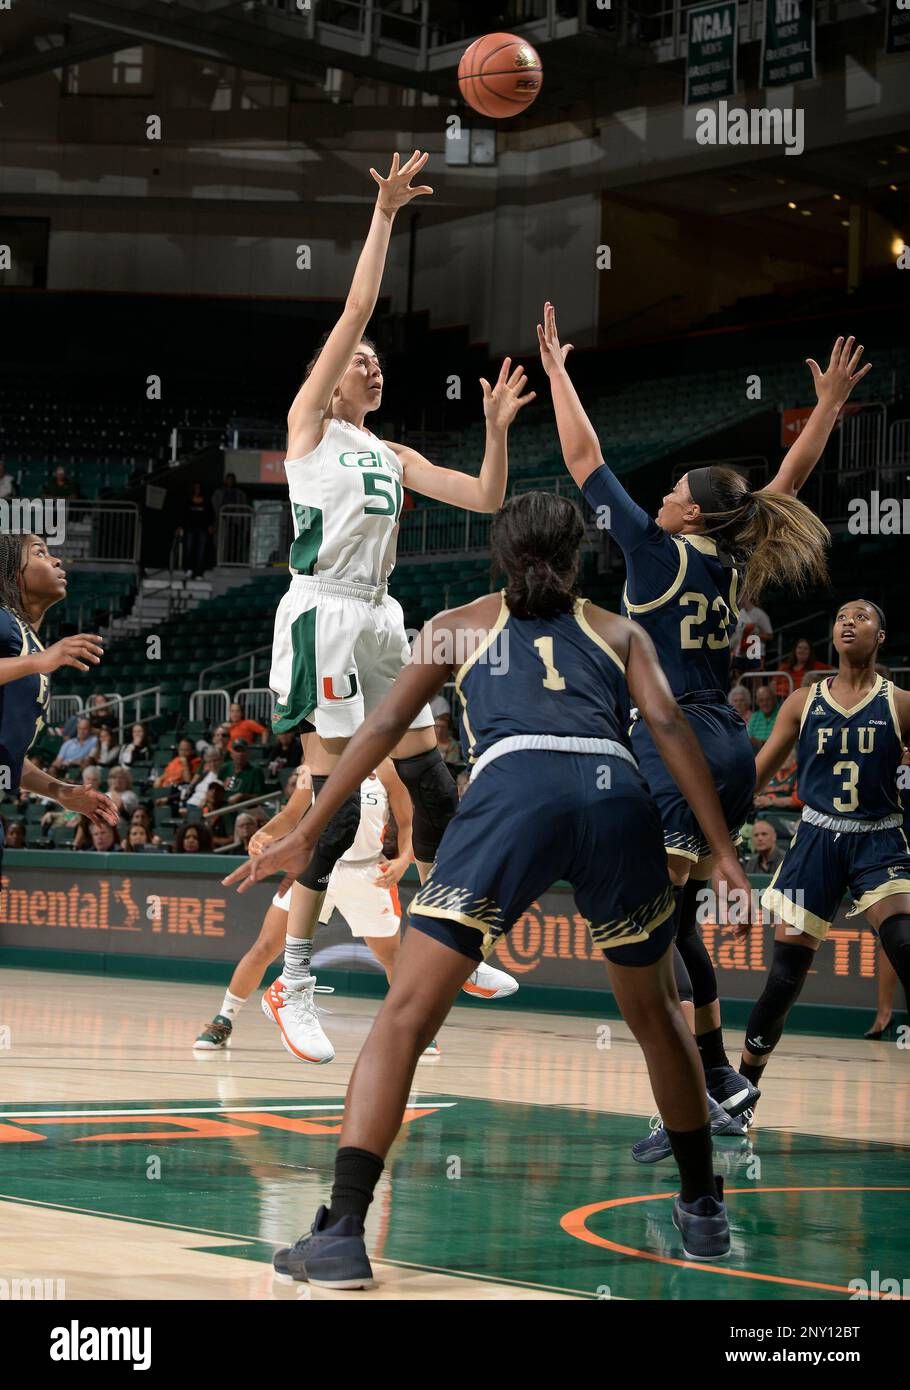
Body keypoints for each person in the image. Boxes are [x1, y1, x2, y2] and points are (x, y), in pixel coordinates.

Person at [226, 491, 759, 1276]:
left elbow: (377, 731)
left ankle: (342, 1231)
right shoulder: (619, 631)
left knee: (405, 1015)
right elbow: (672, 729)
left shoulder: (455, 627)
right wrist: (727, 854)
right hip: (616, 795)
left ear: (499, 558)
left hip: (514, 791)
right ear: (580, 560)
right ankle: (702, 1208)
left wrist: (308, 828)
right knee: (653, 1015)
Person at [537, 305, 869, 1139]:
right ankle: (714, 1078)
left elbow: (584, 459)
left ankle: (707, 1080)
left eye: (677, 490)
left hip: (675, 739)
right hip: (720, 742)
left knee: (654, 927)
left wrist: (558, 374)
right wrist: (826, 408)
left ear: (688, 514)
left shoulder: (656, 551)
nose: (666, 492)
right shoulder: (728, 559)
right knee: (673, 922)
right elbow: (783, 488)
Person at [265, 151, 534, 1061]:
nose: (371, 367)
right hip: (322, 614)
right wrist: (383, 216)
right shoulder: (311, 425)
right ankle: (292, 979)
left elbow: (490, 502)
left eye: (379, 364)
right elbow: (354, 312)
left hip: (381, 615)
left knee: (431, 785)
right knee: (335, 804)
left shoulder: (393, 454)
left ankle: (454, 940)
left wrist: (496, 432)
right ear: (333, 378)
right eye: (359, 364)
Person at [197, 762, 516, 1056]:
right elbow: (293, 813)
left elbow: (408, 824)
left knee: (393, 957)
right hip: (317, 868)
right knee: (266, 946)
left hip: (367, 875)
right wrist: (264, 834)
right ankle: (223, 1019)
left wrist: (402, 861)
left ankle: (416, 1027)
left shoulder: (389, 768)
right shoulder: (317, 761)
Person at [738, 601, 910, 1112]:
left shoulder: (900, 703)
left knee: (903, 943)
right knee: (784, 978)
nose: (848, 622)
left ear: (881, 636)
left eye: (861, 616)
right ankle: (742, 1092)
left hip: (879, 837)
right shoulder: (801, 701)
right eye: (840, 617)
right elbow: (755, 780)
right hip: (815, 839)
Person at [0, 540, 116, 870]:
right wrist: (37, 662)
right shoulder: (5, 622)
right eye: (39, 552)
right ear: (12, 574)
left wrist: (59, 791)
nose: (56, 559)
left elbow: (9, 758)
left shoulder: (26, 641)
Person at [177, 480, 214, 578]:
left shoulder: (206, 501)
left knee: (201, 551)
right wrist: (180, 526)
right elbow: (183, 514)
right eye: (195, 487)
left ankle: (199, 572)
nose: (197, 489)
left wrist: (210, 525)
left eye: (199, 487)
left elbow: (211, 514)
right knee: (189, 549)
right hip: (190, 528)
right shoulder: (188, 500)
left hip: (203, 529)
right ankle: (189, 569)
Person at [730, 602, 773, 678]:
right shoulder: (738, 613)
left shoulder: (760, 614)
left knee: (755, 679)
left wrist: (754, 634)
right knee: (738, 679)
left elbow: (770, 636)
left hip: (754, 651)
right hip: (740, 652)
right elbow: (736, 635)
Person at [219, 738, 265, 804]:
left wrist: (242, 796)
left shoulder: (255, 771)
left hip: (244, 808)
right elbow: (215, 789)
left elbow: (260, 796)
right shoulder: (225, 768)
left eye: (243, 751)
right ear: (231, 754)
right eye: (237, 751)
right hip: (222, 806)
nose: (240, 754)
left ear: (248, 753)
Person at [747, 684, 779, 750]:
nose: (765, 703)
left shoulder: (781, 715)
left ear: (774, 700)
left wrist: (761, 743)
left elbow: (781, 741)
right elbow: (749, 738)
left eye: (768, 699)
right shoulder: (754, 717)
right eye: (761, 700)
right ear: (757, 702)